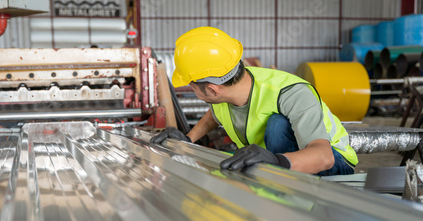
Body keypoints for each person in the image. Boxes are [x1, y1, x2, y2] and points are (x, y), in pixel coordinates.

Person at [150, 27, 358, 176]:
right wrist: (188, 138)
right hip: (276, 157)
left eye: (192, 86)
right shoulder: (232, 88)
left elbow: (324, 157)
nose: (192, 89)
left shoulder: (290, 92)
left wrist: (276, 161)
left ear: (212, 89)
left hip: (331, 160)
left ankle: (286, 193)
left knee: (278, 124)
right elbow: (214, 115)